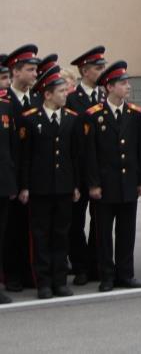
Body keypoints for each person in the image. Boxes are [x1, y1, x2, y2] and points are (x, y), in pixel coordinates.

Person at [82, 60, 141, 292]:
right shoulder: (94, 115)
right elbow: (90, 154)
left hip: (128, 182)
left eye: (128, 82)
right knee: (103, 233)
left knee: (126, 231)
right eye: (122, 83)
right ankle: (107, 276)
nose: (128, 86)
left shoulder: (135, 114)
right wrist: (93, 184)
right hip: (105, 184)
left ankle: (126, 274)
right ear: (109, 87)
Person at [17, 66, 82, 299]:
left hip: (64, 186)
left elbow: (75, 156)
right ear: (47, 94)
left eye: (66, 90)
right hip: (40, 187)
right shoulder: (31, 120)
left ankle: (60, 281)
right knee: (41, 235)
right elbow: (25, 157)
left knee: (60, 234)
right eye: (61, 91)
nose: (66, 94)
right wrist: (24, 186)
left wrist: (76, 185)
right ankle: (43, 282)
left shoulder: (72, 119)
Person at [66, 46, 107, 286]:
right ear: (84, 70)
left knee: (100, 221)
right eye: (97, 68)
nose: (102, 72)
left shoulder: (105, 96)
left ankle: (95, 265)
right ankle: (80, 265)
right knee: (75, 221)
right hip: (79, 169)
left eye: (103, 67)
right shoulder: (72, 98)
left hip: (102, 170)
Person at [4, 45, 42, 293]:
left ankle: (30, 273)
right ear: (15, 72)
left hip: (35, 176)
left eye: (35, 70)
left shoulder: (38, 100)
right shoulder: (4, 102)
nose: (35, 74)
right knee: (11, 229)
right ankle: (12, 274)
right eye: (30, 70)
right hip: (11, 176)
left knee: (32, 229)